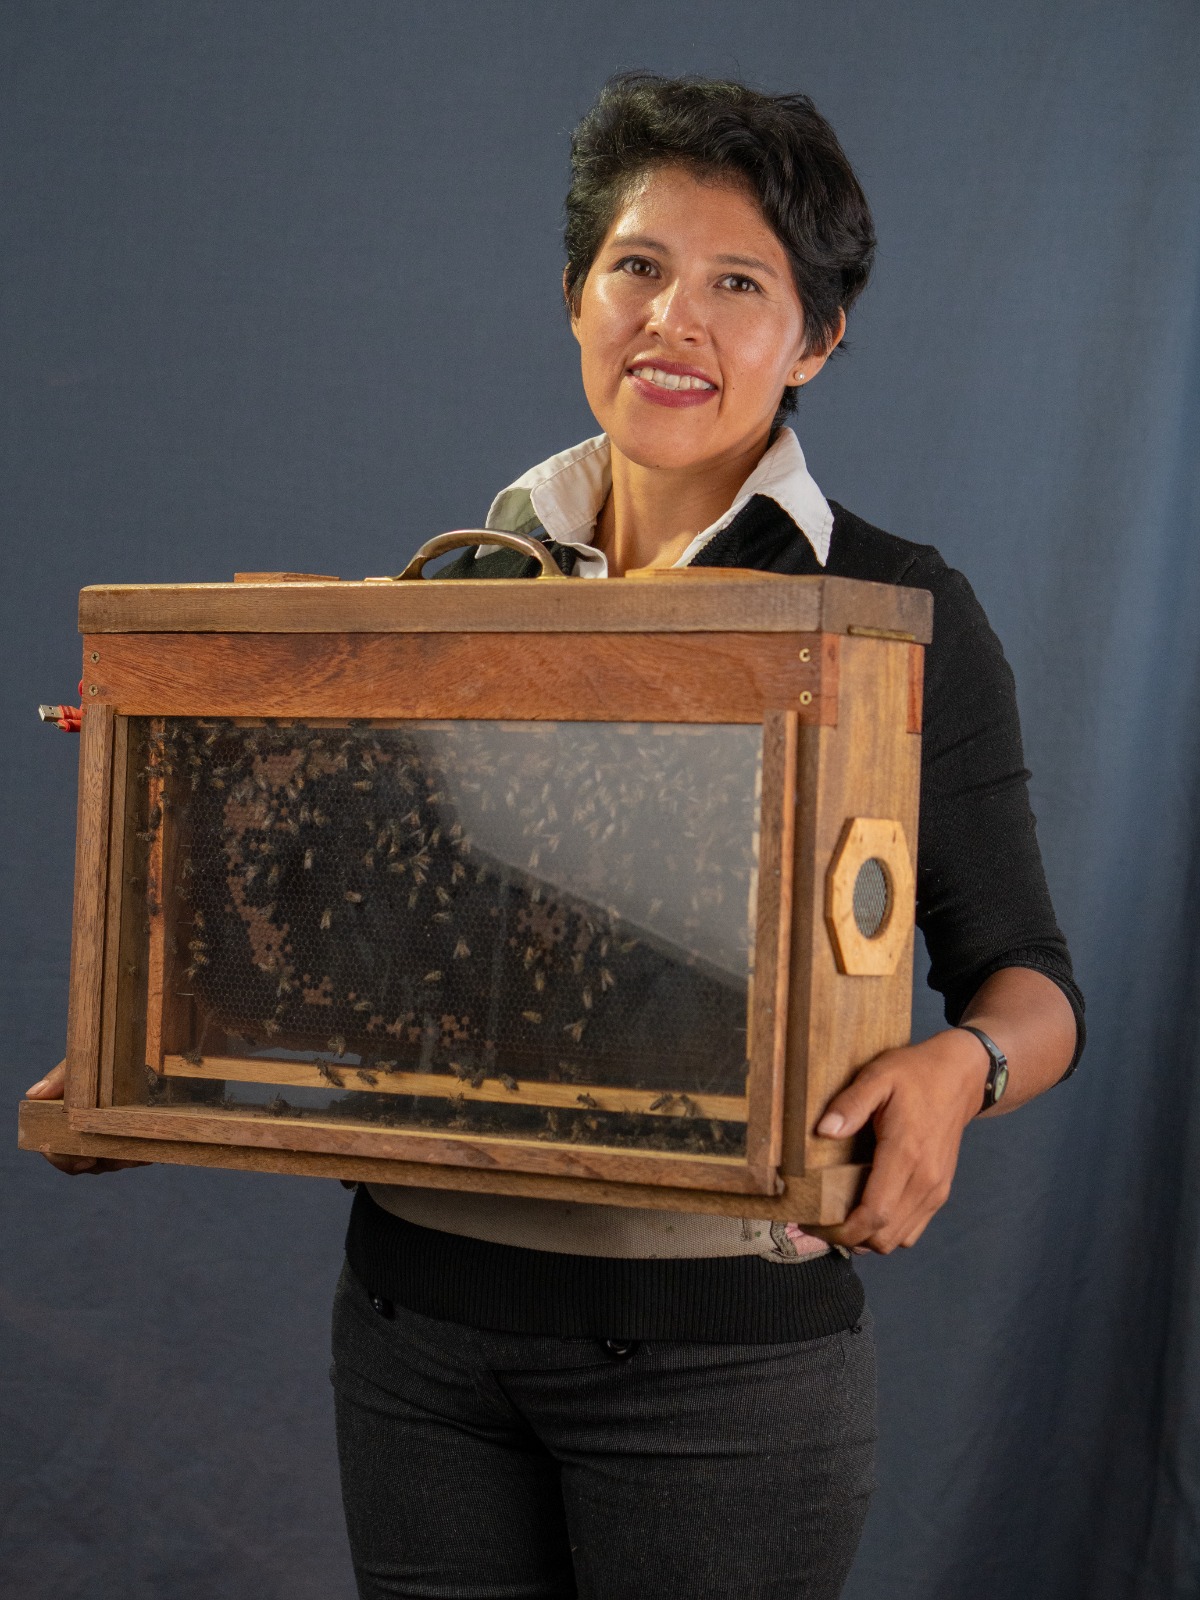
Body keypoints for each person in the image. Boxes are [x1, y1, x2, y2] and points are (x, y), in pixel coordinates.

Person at [28, 73, 1084, 1600]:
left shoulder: (899, 613)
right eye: (636, 267)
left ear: (817, 338)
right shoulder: (455, 593)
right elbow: (371, 955)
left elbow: (1034, 985)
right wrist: (154, 1029)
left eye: (739, 283)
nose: (674, 319)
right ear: (577, 297)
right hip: (413, 1337)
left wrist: (956, 1070)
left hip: (717, 1373)